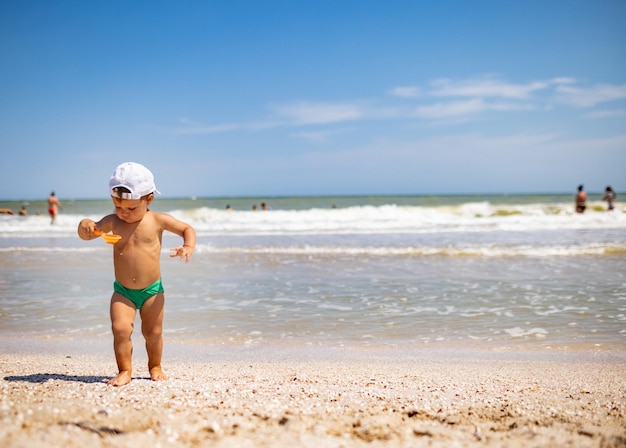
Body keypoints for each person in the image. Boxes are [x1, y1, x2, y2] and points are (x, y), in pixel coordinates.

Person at [77, 162, 196, 386]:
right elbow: (90, 233)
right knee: (120, 329)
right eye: (118, 207)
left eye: (131, 209)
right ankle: (125, 370)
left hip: (152, 290)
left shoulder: (158, 220)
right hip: (123, 291)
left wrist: (187, 246)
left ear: (148, 198)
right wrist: (84, 225)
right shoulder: (113, 221)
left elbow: (186, 229)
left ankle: (155, 365)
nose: (124, 213)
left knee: (153, 333)